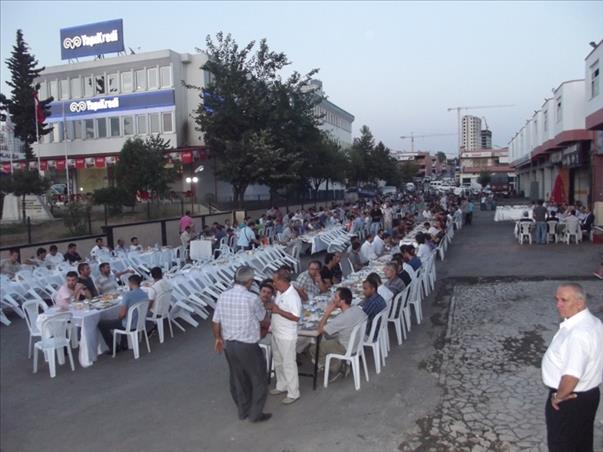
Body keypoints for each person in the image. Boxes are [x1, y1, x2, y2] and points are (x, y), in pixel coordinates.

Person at [541, 283, 603, 452]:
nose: (558, 305)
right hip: (588, 395)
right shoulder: (593, 322)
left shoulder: (578, 334)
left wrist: (558, 397)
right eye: (557, 299)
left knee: (562, 444)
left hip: (570, 400)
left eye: (564, 300)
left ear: (580, 303)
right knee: (581, 441)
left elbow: (571, 376)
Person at [212, 266, 271, 422]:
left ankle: (242, 411)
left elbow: (216, 321)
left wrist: (218, 338)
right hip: (247, 345)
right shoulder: (252, 298)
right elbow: (263, 319)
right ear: (249, 281)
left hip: (229, 344)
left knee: (238, 379)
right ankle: (255, 414)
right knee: (258, 378)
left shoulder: (223, 296)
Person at [312, 287, 367, 381]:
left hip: (345, 346)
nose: (333, 299)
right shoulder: (357, 309)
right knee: (327, 337)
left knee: (314, 349)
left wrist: (327, 313)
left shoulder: (342, 318)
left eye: (336, 297)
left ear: (342, 301)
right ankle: (336, 362)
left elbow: (320, 330)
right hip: (357, 343)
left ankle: (337, 366)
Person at [268, 268, 302, 405]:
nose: (273, 283)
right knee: (278, 361)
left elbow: (295, 317)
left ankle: (293, 392)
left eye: (275, 280)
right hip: (276, 332)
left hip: (287, 335)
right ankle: (281, 385)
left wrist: (278, 311)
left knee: (288, 364)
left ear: (282, 281)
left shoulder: (292, 296)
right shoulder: (279, 292)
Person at [98, 274, 149, 352]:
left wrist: (118, 318)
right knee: (123, 319)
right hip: (140, 322)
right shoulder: (145, 294)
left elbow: (122, 315)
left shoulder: (127, 295)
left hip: (130, 325)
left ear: (130, 283)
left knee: (102, 324)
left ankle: (113, 347)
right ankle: (124, 343)